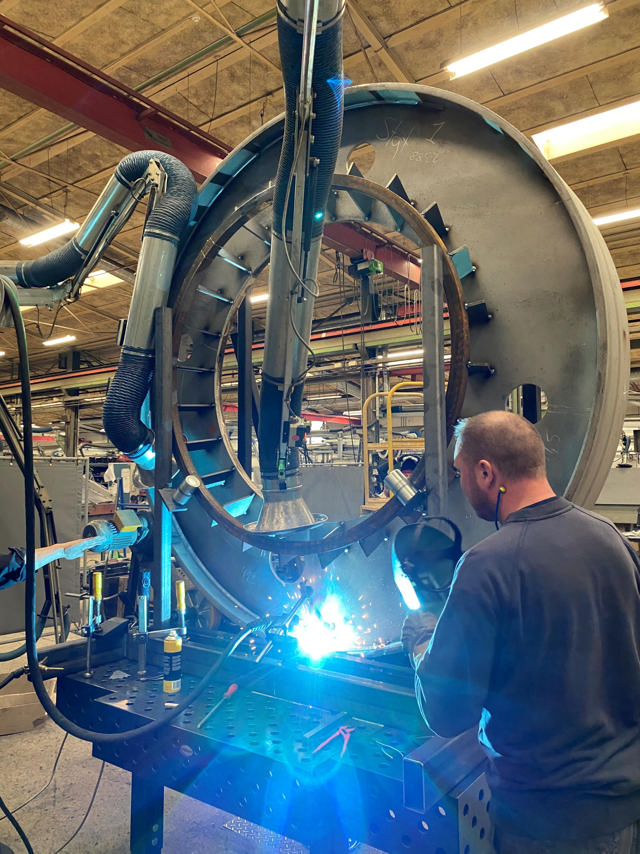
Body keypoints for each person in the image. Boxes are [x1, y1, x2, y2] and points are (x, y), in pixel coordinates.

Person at [401, 410, 640, 852]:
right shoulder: (612, 539)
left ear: (486, 473)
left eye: (460, 473)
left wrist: (421, 640)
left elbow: (447, 712)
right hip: (623, 810)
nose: (462, 485)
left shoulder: (487, 564)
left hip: (544, 823)